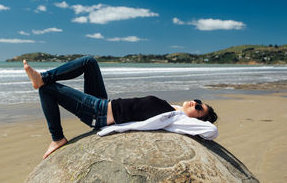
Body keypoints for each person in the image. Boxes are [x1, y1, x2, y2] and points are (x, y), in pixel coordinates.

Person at [24, 56, 218, 159]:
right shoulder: (173, 109)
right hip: (103, 102)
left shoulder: (178, 120)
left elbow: (212, 130)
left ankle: (57, 137)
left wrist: (194, 120)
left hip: (97, 112)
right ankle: (43, 77)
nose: (196, 103)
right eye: (198, 101)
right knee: (89, 62)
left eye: (200, 108)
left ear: (196, 119)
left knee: (46, 90)